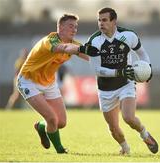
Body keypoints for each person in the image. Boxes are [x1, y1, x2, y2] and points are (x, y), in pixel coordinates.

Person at [57, 8, 158, 155]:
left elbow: (142, 53)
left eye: (104, 20)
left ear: (114, 21)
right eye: (99, 20)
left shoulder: (128, 36)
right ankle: (125, 148)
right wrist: (120, 71)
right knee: (113, 128)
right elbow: (98, 70)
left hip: (125, 83)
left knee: (128, 117)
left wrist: (147, 68)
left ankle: (144, 134)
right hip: (105, 89)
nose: (101, 23)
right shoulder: (95, 41)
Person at [16, 14, 97, 154]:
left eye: (76, 27)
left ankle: (41, 127)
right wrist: (81, 49)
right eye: (71, 26)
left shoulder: (74, 44)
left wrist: (105, 58)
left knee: (61, 123)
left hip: (48, 82)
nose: (74, 30)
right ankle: (60, 150)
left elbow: (90, 57)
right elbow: (64, 48)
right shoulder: (49, 41)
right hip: (28, 81)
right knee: (52, 118)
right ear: (60, 27)